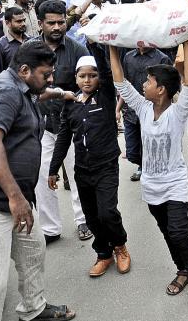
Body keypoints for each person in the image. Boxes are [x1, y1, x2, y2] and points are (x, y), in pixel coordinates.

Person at [109, 39, 188, 311]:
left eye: (149, 81)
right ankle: (183, 269)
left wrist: (187, 46)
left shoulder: (178, 113)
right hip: (150, 186)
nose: (143, 84)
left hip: (174, 183)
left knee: (178, 232)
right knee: (167, 232)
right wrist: (112, 46)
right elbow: (121, 84)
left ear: (162, 89)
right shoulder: (142, 108)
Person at [0, 40, 76, 321]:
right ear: (24, 70)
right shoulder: (4, 91)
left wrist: (61, 93)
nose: (49, 78)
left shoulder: (22, 88)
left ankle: (34, 308)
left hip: (19, 200)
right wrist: (14, 197)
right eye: (46, 74)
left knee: (33, 254)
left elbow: (39, 94)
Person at [47, 49, 130, 277]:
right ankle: (103, 254)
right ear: (75, 78)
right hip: (82, 170)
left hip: (106, 167)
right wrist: (53, 169)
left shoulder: (105, 96)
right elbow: (63, 138)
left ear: (99, 78)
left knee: (107, 213)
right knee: (91, 216)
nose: (87, 80)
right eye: (82, 76)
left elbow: (105, 68)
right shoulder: (71, 103)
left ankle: (120, 246)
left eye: (92, 75)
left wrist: (95, 43)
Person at [31, 0, 92, 244]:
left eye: (60, 22)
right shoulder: (30, 50)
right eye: (51, 23)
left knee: (79, 173)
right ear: (40, 23)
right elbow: (21, 83)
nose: (57, 27)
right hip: (42, 124)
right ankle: (50, 228)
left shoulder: (78, 50)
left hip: (73, 124)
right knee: (44, 176)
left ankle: (83, 220)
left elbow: (91, 83)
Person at [116, 45, 173, 182]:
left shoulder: (162, 58)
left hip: (153, 111)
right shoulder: (128, 57)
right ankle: (142, 164)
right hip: (131, 110)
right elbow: (124, 85)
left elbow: (169, 89)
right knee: (131, 151)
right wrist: (117, 109)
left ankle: (147, 169)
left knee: (150, 144)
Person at [0, 7, 29, 78]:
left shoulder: (31, 41)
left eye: (24, 20)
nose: (23, 24)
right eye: (19, 21)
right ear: (7, 23)